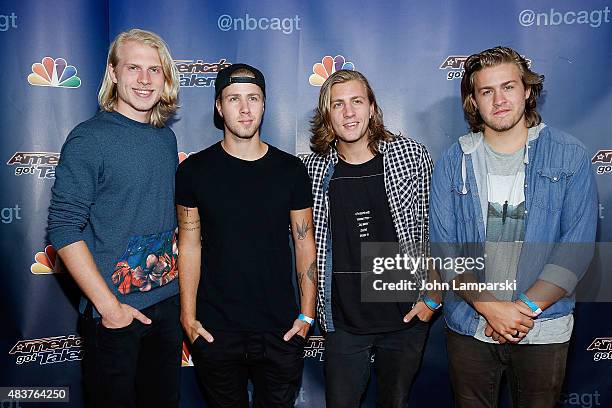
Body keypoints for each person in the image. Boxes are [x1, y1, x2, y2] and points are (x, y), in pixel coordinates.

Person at [429, 46, 598, 407]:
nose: (499, 100)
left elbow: (577, 246)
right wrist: (491, 307)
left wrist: (518, 311)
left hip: (543, 326)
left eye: (508, 87)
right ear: (473, 101)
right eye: (486, 91)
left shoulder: (570, 155)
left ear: (527, 91)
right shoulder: (452, 162)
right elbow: (445, 249)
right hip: (470, 325)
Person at [47, 29, 181, 408]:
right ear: (114, 73)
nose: (144, 79)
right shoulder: (89, 139)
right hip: (114, 314)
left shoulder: (164, 139)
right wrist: (109, 308)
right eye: (134, 67)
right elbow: (62, 227)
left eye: (154, 70)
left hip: (167, 305)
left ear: (165, 78)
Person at [175, 63, 317, 408]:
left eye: (253, 98)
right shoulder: (193, 171)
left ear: (264, 105)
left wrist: (307, 314)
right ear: (218, 107)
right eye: (233, 98)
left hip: (280, 329)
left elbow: (304, 241)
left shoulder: (290, 170)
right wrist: (188, 316)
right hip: (215, 329)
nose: (244, 108)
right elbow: (189, 245)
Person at [303, 69, 438, 408]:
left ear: (372, 108)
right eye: (338, 105)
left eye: (356, 102)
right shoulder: (311, 169)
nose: (349, 113)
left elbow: (436, 228)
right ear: (327, 116)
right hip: (343, 322)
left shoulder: (411, 157)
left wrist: (432, 296)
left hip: (405, 317)